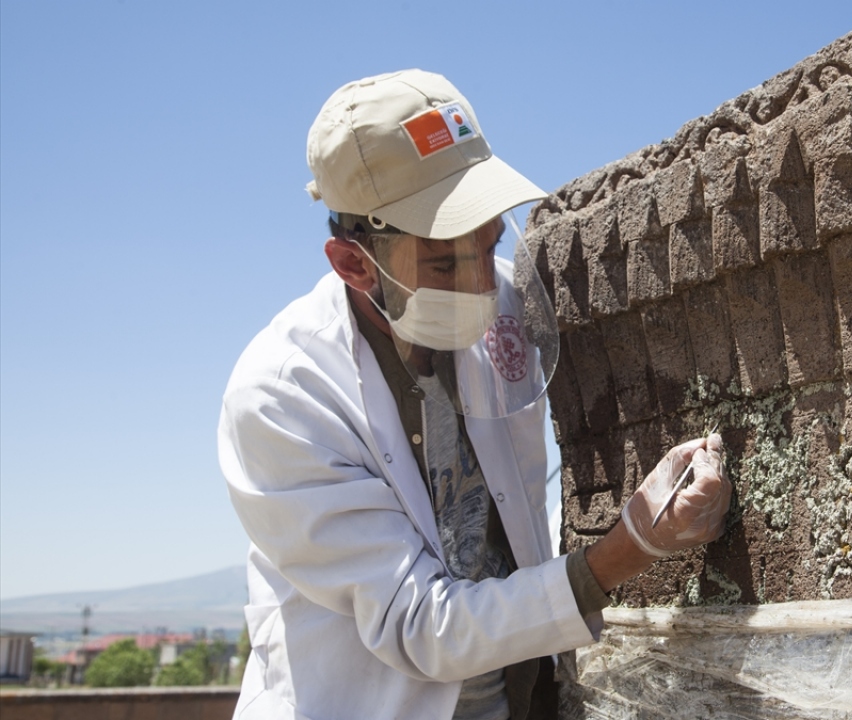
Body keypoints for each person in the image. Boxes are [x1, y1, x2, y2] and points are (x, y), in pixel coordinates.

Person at [218, 69, 732, 720]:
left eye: (487, 245)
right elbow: (417, 625)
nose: (482, 288)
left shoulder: (506, 304)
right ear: (352, 262)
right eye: (442, 263)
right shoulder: (283, 397)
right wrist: (625, 549)